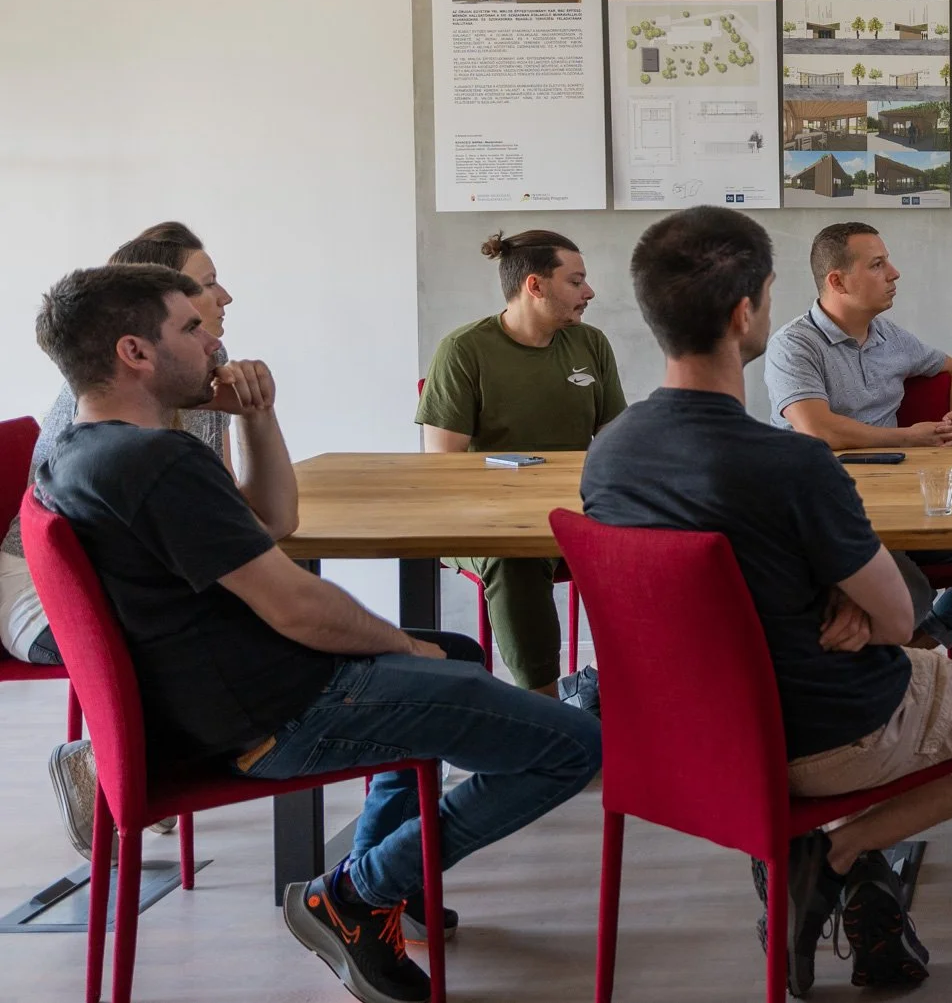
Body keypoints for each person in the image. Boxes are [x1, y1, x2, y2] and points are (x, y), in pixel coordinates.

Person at [32, 263, 601, 1003]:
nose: (214, 339)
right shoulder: (156, 462)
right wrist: (400, 646)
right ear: (135, 353)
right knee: (575, 743)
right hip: (278, 712)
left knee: (456, 651)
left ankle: (375, 900)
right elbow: (296, 605)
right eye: (192, 327)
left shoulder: (79, 451)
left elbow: (272, 524)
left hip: (217, 699)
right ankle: (358, 889)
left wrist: (256, 415)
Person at [582, 207, 952, 998]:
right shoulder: (794, 464)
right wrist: (860, 604)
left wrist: (832, 591)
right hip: (827, 732)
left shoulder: (609, 455)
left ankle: (844, 864)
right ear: (746, 313)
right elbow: (902, 621)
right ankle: (834, 853)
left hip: (683, 734)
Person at [2, 223, 246, 857]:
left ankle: (132, 758)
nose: (224, 298)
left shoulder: (190, 386)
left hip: (117, 576)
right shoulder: (102, 413)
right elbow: (95, 545)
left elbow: (225, 510)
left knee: (244, 614)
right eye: (207, 282)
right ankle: (103, 758)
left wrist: (251, 416)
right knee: (225, 624)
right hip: (45, 592)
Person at [765, 222, 952, 651]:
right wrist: (907, 438)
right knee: (905, 593)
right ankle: (886, 663)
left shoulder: (890, 336)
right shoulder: (793, 345)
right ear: (837, 281)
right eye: (878, 265)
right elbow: (816, 428)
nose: (894, 273)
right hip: (829, 513)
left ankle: (916, 650)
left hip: (902, 504)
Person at [417, 230, 625, 703]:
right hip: (486, 523)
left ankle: (616, 690)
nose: (588, 292)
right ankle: (543, 712)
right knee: (516, 560)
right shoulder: (464, 350)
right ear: (535, 286)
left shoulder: (590, 344)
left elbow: (615, 444)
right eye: (576, 281)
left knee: (671, 538)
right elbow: (442, 467)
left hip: (574, 512)